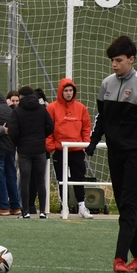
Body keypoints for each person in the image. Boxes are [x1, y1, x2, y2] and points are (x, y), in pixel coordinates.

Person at [85, 35, 137, 273]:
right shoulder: (106, 84)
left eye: (118, 60)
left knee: (128, 205)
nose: (114, 65)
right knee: (127, 205)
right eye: (112, 61)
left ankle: (119, 258)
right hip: (115, 154)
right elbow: (102, 118)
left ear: (131, 59)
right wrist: (93, 142)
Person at [46, 78, 94, 219]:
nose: (68, 93)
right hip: (60, 151)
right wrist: (51, 147)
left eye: (71, 90)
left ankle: (81, 206)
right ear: (61, 91)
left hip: (77, 150)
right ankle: (64, 207)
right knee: (62, 180)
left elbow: (86, 127)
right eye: (66, 90)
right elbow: (48, 128)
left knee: (79, 179)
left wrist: (85, 144)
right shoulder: (52, 108)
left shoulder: (81, 108)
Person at [9, 86, 54, 219]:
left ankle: (26, 211)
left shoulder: (18, 112)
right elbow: (50, 126)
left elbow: (13, 131)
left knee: (25, 180)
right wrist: (41, 137)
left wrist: (18, 142)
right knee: (40, 180)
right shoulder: (42, 109)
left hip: (24, 150)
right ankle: (42, 211)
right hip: (40, 149)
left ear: (21, 97)